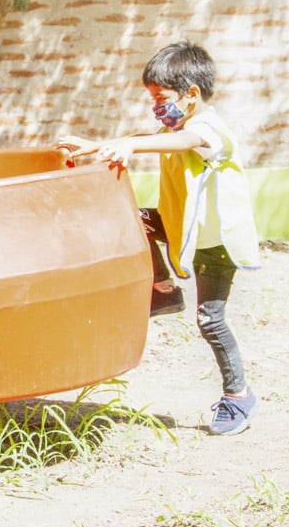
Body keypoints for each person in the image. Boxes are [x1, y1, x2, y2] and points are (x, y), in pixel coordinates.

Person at [56, 42, 261, 435]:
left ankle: (239, 397)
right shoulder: (177, 126)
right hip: (181, 226)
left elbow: (183, 143)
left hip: (215, 243)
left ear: (192, 95)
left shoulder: (209, 131)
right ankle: (164, 289)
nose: (155, 107)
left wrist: (131, 145)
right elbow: (152, 136)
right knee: (134, 218)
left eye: (160, 98)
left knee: (210, 320)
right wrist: (96, 145)